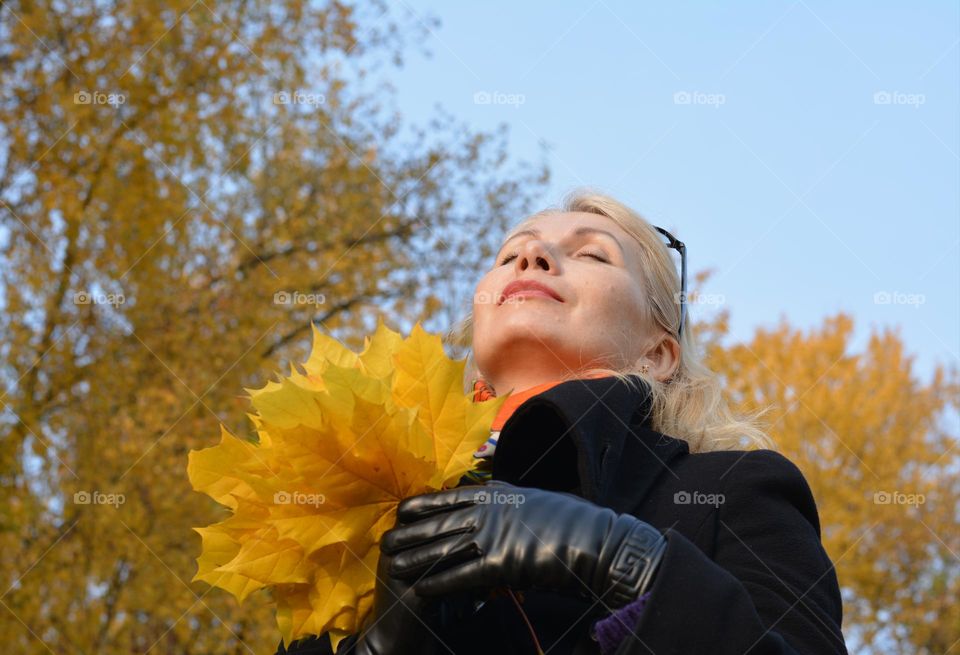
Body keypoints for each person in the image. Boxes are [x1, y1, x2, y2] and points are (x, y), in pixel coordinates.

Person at [276, 191, 848, 654]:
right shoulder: (356, 511)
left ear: (658, 353)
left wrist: (627, 562)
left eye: (594, 254)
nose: (531, 259)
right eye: (510, 255)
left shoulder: (729, 491)